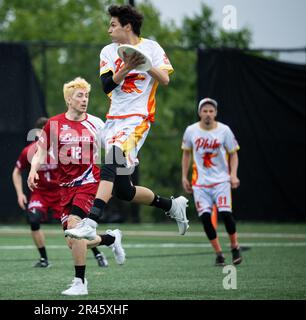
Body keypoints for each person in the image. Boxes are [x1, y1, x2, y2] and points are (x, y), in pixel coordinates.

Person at [65, 4, 189, 241]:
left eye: (113, 24)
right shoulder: (108, 52)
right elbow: (106, 86)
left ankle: (91, 222)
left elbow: (164, 79)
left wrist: (143, 62)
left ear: (127, 26)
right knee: (123, 189)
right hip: (113, 120)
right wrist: (127, 67)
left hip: (137, 119)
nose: (108, 29)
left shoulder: (151, 47)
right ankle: (171, 206)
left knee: (111, 158)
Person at [27, 77, 125, 296]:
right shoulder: (53, 124)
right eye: (80, 96)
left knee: (76, 228)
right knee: (73, 242)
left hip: (90, 183)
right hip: (65, 188)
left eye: (87, 95)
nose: (84, 99)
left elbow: (112, 149)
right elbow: (41, 152)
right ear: (68, 99)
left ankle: (80, 283)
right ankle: (111, 239)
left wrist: (122, 161)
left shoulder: (96, 123)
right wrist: (34, 169)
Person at [12, 117, 109, 268]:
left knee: (75, 230)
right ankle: (44, 259)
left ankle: (98, 253)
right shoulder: (30, 151)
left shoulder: (63, 150)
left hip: (61, 193)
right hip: (41, 194)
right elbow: (16, 171)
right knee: (33, 220)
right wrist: (20, 193)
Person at [181, 98, 243, 266]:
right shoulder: (191, 131)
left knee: (226, 214)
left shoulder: (224, 130)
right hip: (200, 183)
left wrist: (234, 175)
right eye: (204, 111)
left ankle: (234, 246)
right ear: (199, 112)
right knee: (206, 218)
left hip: (221, 181)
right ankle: (219, 253)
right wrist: (184, 176)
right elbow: (186, 153)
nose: (208, 114)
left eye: (211, 111)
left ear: (215, 113)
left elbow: (234, 153)